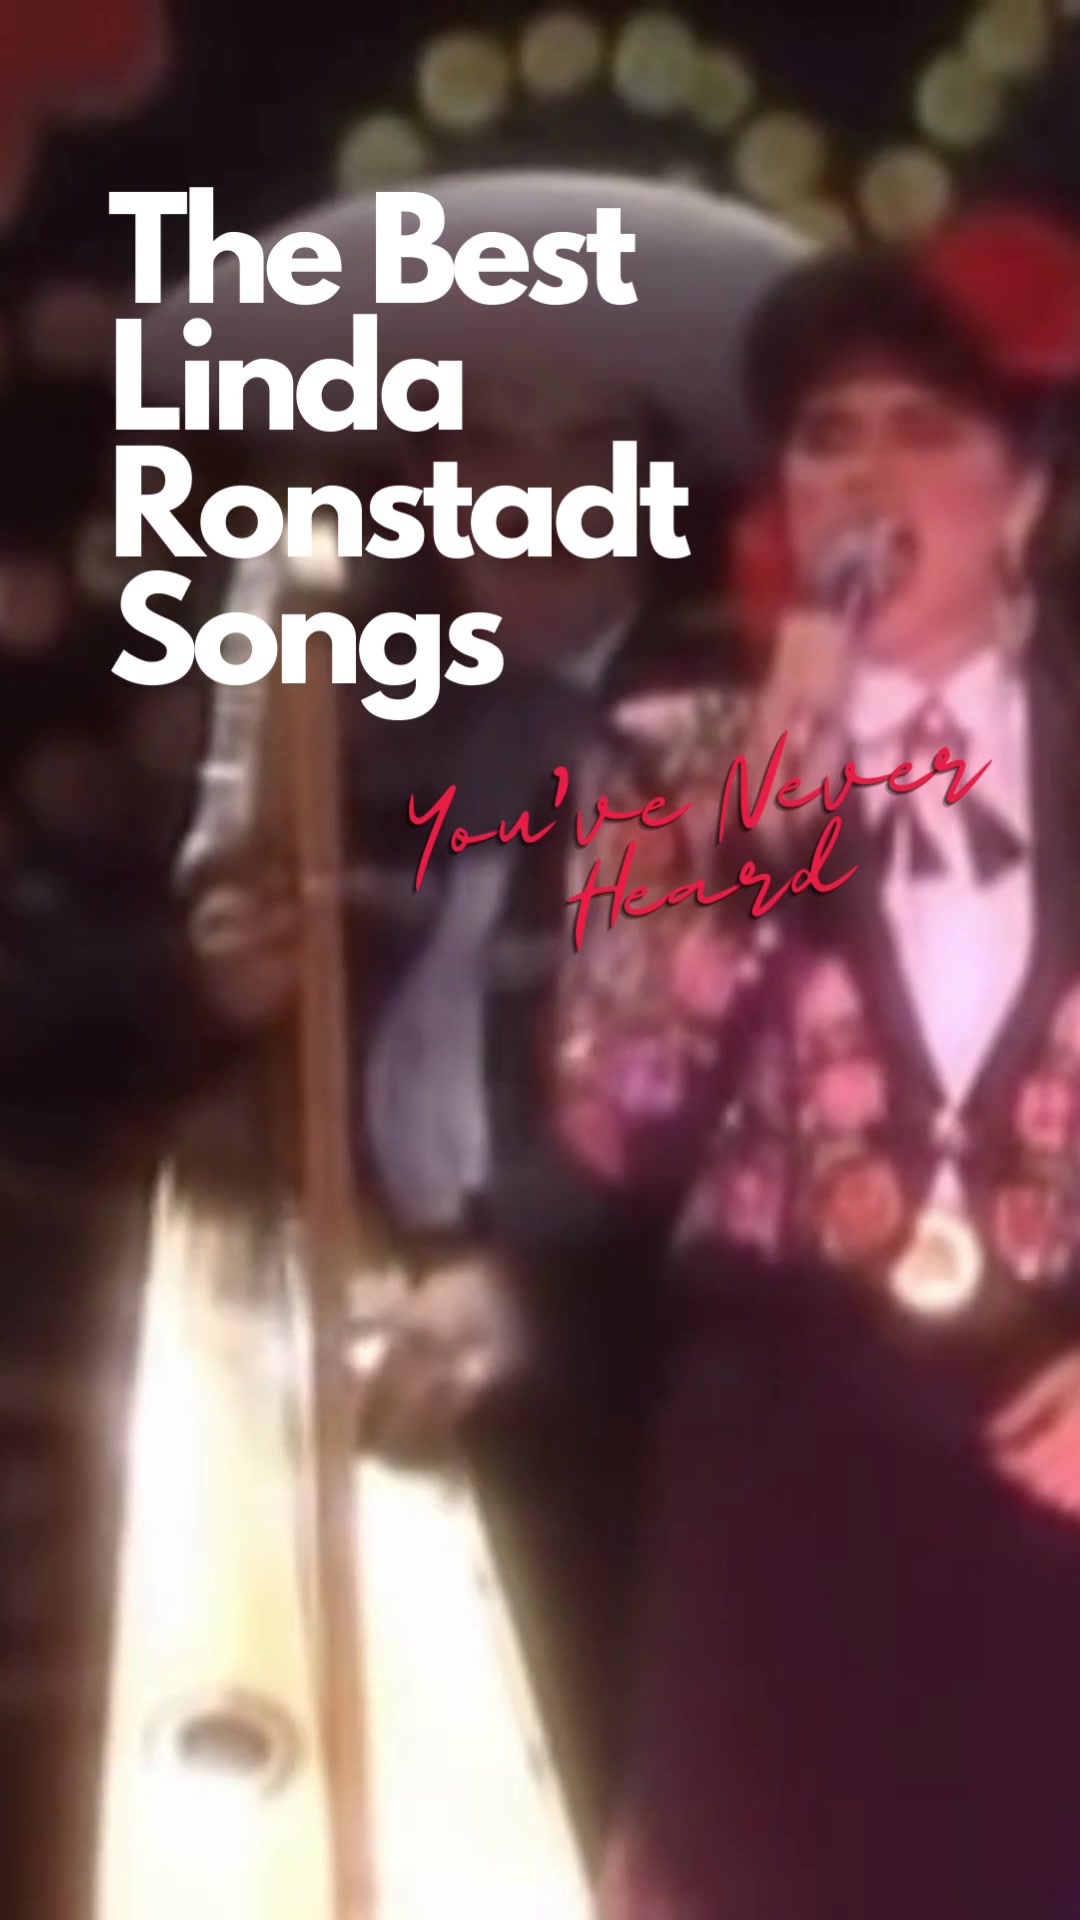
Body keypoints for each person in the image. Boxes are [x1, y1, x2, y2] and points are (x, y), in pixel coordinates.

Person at [547, 204, 1080, 1920]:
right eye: (826, 437)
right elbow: (611, 1126)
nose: (866, 476)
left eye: (924, 429)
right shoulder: (668, 757)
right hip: (784, 1475)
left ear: (1024, 498)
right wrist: (752, 834)